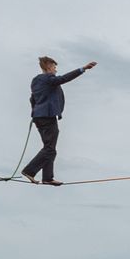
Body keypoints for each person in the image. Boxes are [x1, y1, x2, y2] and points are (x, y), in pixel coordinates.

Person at [24, 56, 97, 185]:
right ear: (48, 67)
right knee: (50, 149)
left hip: (39, 117)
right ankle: (29, 171)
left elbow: (32, 99)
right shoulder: (48, 79)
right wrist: (83, 69)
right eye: (54, 67)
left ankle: (47, 178)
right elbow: (63, 79)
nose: (56, 70)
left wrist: (35, 113)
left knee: (49, 148)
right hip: (47, 116)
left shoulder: (36, 81)